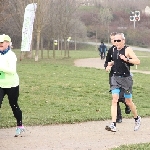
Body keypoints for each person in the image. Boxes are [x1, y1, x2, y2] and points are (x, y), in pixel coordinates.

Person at [105, 33, 141, 132]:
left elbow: (138, 61)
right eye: (115, 41)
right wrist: (109, 65)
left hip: (126, 79)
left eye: (118, 40)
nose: (116, 42)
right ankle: (113, 124)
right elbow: (115, 61)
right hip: (115, 78)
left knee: (128, 102)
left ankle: (137, 118)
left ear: (123, 41)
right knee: (114, 99)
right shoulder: (113, 49)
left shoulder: (127, 49)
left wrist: (126, 59)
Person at [0, 34, 25, 137]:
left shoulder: (11, 55)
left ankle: (20, 126)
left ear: (8, 43)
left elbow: (12, 71)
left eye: (2, 42)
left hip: (12, 85)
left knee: (13, 105)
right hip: (0, 84)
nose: (0, 44)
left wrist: (0, 67)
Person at [104, 32, 131, 123]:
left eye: (115, 40)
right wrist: (107, 66)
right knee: (115, 97)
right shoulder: (111, 50)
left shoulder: (125, 49)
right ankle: (118, 117)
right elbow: (106, 61)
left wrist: (125, 60)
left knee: (121, 96)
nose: (113, 41)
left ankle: (127, 104)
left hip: (124, 77)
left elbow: (130, 62)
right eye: (112, 40)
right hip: (113, 76)